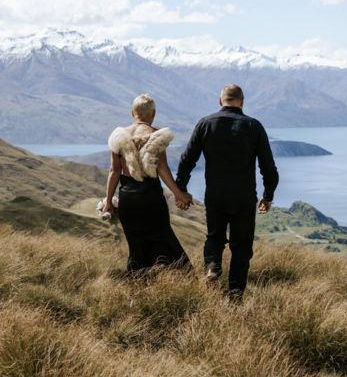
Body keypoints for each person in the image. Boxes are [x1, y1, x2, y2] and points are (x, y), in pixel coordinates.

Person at [175, 83, 278, 301]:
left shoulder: (205, 124)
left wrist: (181, 189)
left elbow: (186, 161)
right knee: (241, 246)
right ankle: (235, 297)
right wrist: (268, 195)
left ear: (220, 101)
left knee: (214, 238)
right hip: (243, 197)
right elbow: (268, 166)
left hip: (215, 195)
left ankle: (212, 268)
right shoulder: (254, 126)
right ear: (242, 101)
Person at [102, 94, 193, 274]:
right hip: (151, 198)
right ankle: (186, 278)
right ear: (153, 114)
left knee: (136, 248)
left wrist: (108, 202)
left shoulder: (118, 137)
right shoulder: (156, 136)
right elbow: (161, 167)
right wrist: (178, 194)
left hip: (128, 199)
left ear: (132, 113)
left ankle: (138, 287)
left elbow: (114, 172)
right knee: (166, 240)